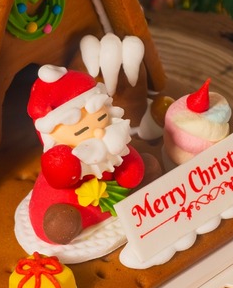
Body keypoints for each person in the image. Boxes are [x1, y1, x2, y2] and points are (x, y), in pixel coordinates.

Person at [27, 64, 145, 244]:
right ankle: (66, 222)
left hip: (115, 193)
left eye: (101, 118)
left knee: (142, 170)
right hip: (72, 207)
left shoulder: (111, 139)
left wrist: (131, 169)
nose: (98, 132)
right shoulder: (63, 156)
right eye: (81, 131)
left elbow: (125, 159)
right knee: (60, 223)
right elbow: (59, 176)